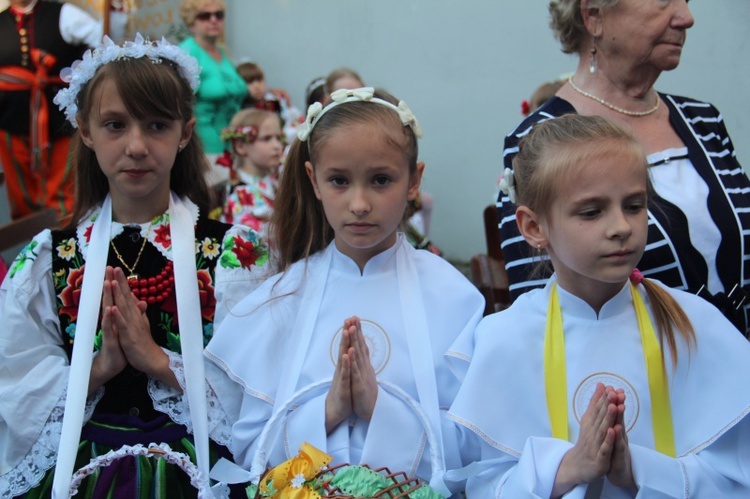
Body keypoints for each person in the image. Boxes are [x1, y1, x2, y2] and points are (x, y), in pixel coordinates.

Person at [0, 36, 270, 497]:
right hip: (79, 461)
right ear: (85, 131)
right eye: (115, 125)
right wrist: (98, 367)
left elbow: (257, 383)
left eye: (157, 125)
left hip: (202, 464)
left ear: (185, 132)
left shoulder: (232, 253)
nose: (137, 146)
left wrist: (159, 361)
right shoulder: (50, 257)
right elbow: (16, 382)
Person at [449, 115, 750, 497]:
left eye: (634, 205)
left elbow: (736, 476)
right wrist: (566, 470)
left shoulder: (694, 324)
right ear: (533, 227)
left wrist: (637, 470)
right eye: (592, 211)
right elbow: (484, 483)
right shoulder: (505, 337)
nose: (621, 226)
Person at [205, 87, 484, 492]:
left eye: (380, 180)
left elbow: (474, 446)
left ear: (414, 181)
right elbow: (250, 447)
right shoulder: (283, 296)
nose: (359, 203)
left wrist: (378, 410)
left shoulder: (452, 298)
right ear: (313, 180)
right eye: (339, 180)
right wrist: (328, 412)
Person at [498, 0, 750, 336]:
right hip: (634, 380)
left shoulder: (703, 120)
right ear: (594, 16)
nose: (686, 18)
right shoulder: (543, 142)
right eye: (663, 2)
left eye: (686, 2)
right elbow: (540, 315)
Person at [0, 0, 102, 222]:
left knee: (62, 191)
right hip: (10, 122)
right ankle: (29, 248)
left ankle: (63, 244)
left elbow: (101, 42)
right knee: (21, 195)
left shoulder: (63, 14)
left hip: (58, 121)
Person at [178, 0, 247, 186]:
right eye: (205, 16)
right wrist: (191, 153)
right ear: (192, 22)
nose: (214, 20)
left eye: (219, 15)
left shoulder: (221, 51)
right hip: (205, 148)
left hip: (232, 145)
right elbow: (179, 106)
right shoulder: (186, 53)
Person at [218, 108, 283, 237]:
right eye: (267, 138)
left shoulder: (279, 183)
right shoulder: (233, 193)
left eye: (279, 138)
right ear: (241, 146)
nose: (277, 146)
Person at [236, 61, 303, 146]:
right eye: (250, 82)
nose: (257, 86)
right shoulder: (241, 109)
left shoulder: (273, 103)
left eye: (259, 80)